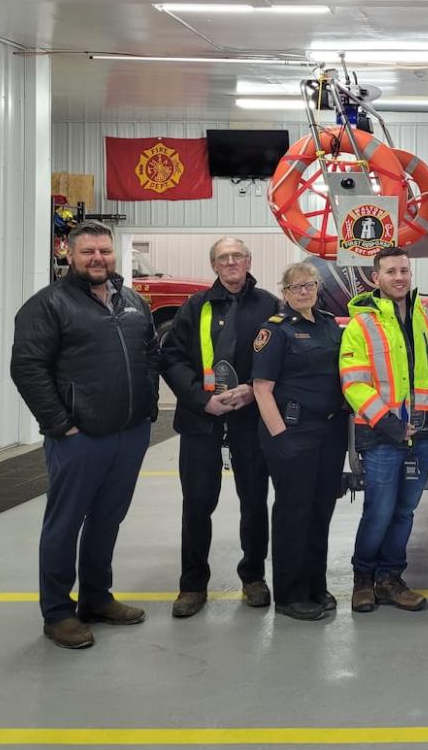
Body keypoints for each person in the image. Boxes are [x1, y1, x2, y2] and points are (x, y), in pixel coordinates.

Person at [10, 219, 159, 650]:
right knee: (65, 523)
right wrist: (62, 425)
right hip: (79, 437)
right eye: (88, 252)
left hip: (129, 432)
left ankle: (96, 597)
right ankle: (57, 612)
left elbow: (151, 353)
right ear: (69, 256)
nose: (98, 259)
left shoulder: (132, 301)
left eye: (105, 251)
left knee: (108, 518)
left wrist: (148, 407)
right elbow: (27, 369)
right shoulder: (48, 305)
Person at [162, 237, 279, 618]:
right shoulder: (195, 307)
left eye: (237, 256)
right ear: (214, 264)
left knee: (254, 502)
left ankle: (253, 577)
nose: (231, 263)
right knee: (197, 504)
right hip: (201, 420)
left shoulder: (269, 305)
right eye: (223, 258)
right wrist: (201, 399)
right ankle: (192, 585)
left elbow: (280, 356)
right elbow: (173, 358)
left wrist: (252, 391)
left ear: (248, 260)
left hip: (249, 419)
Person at [340, 247, 428, 614]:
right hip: (381, 436)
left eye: (404, 271)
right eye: (391, 272)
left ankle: (390, 579)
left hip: (422, 438)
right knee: (379, 511)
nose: (399, 277)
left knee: (405, 512)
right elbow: (353, 383)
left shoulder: (427, 321)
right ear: (375, 278)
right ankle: (363, 579)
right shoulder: (360, 325)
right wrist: (392, 424)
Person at [251, 262, 346, 621]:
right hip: (291, 432)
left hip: (329, 431)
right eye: (294, 288)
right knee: (294, 512)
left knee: (321, 510)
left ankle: (315, 585)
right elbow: (262, 390)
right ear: (285, 293)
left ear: (318, 287)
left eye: (308, 285)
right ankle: (291, 596)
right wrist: (281, 438)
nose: (303, 291)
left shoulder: (329, 325)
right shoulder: (275, 331)